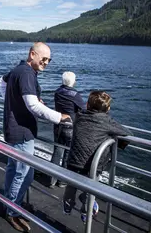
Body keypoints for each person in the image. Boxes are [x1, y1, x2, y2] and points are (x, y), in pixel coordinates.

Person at [0, 42, 70, 232]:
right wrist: (58, 117)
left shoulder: (18, 69)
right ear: (32, 54)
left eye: (48, 60)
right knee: (24, 175)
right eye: (43, 58)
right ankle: (12, 211)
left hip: (12, 129)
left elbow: (0, 83)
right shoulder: (28, 73)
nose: (46, 62)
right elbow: (34, 106)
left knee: (14, 170)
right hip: (22, 132)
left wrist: (14, 103)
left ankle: (9, 203)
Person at [63, 91, 132, 223]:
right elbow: (128, 134)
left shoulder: (79, 116)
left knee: (71, 186)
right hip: (93, 165)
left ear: (87, 104)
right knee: (90, 191)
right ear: (108, 109)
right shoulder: (106, 121)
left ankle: (67, 207)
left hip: (74, 161)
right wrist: (112, 138)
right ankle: (86, 214)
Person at [50, 71, 85, 188]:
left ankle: (52, 179)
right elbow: (83, 109)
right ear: (73, 81)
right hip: (70, 126)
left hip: (58, 123)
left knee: (57, 151)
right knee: (67, 152)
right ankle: (63, 180)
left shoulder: (57, 91)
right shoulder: (75, 94)